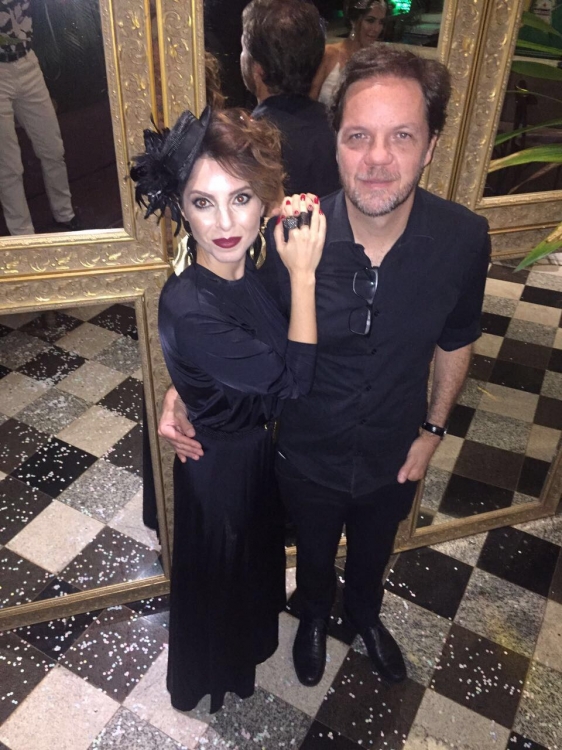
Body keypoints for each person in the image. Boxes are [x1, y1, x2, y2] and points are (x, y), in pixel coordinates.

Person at [159, 45, 490, 689]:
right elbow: (237, 323)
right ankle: (312, 613)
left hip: (396, 447)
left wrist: (433, 430)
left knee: (374, 550)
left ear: (431, 146)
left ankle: (364, 613)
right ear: (335, 143)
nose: (377, 159)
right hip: (304, 452)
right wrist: (184, 386)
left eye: (402, 136)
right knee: (310, 550)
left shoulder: (463, 238)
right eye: (358, 136)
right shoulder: (288, 236)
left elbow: (457, 338)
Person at [131, 106, 326, 712]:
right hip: (220, 470)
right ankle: (212, 674)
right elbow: (293, 380)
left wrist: (184, 389)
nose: (223, 222)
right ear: (180, 209)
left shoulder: (251, 269)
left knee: (247, 569)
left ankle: (245, 644)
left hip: (251, 452)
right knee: (222, 574)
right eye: (203, 202)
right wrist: (304, 275)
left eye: (240, 198)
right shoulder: (192, 304)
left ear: (264, 200)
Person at [241, 0, 340, 197]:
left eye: (243, 48)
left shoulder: (249, 144)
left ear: (258, 69)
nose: (241, 56)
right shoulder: (340, 131)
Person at [0, 0, 79, 235]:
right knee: (8, 165)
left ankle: (65, 214)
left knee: (52, 148)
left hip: (27, 61)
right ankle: (23, 235)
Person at [310, 0, 386, 106]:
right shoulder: (329, 53)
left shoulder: (377, 62)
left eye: (381, 22)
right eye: (370, 20)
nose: (376, 29)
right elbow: (310, 99)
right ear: (353, 21)